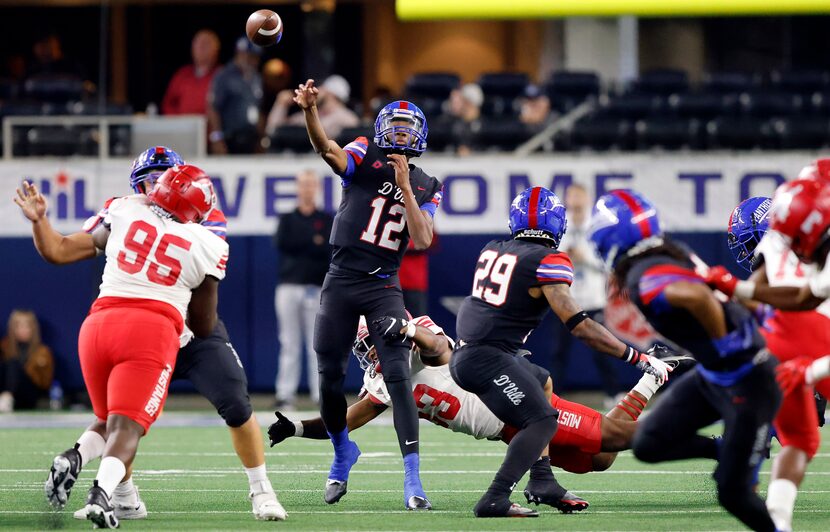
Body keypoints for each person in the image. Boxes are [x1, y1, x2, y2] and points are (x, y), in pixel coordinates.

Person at [31, 146, 285, 522]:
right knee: (122, 418)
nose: (154, 187)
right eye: (148, 180)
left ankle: (262, 491)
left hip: (187, 332)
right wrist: (42, 224)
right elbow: (62, 248)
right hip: (151, 330)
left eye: (161, 178)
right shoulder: (127, 209)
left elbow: (200, 312)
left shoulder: (153, 214)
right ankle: (121, 494)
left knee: (236, 404)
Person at [269, 315, 691, 510]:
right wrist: (297, 428)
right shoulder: (384, 383)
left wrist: (408, 330)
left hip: (511, 400)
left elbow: (437, 349)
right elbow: (344, 420)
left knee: (614, 436)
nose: (369, 358)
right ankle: (655, 373)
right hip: (502, 429)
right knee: (599, 460)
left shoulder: (420, 345)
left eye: (371, 347)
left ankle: (702, 435)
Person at [14, 166, 228, 529]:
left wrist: (39, 221)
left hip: (98, 326)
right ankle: (101, 494)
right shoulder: (209, 243)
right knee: (127, 428)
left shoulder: (125, 208)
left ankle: (76, 456)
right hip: (150, 330)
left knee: (110, 421)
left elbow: (56, 250)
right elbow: (205, 325)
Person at [451, 186, 672, 518]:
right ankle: (494, 497)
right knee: (541, 421)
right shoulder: (549, 260)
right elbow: (580, 325)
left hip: (474, 352)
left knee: (543, 382)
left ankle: (542, 480)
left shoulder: (493, 248)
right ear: (556, 224)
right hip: (488, 357)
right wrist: (638, 357)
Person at [588, 189, 781, 532]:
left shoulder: (642, 275)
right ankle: (726, 451)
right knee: (647, 444)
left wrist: (726, 343)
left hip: (746, 376)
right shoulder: (672, 251)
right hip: (715, 375)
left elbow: (695, 296)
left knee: (734, 494)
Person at [294, 78, 442, 509]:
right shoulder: (365, 151)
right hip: (341, 279)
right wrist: (310, 112)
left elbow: (421, 238)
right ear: (381, 129)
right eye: (394, 126)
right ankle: (342, 453)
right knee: (330, 378)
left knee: (397, 379)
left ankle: (413, 480)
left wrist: (405, 184)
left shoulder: (428, 184)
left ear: (419, 135)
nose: (399, 134)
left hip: (383, 286)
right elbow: (330, 153)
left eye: (406, 127)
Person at [723, 195, 830, 532]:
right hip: (807, 346)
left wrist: (812, 371)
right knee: (795, 434)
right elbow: (796, 296)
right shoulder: (781, 256)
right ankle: (776, 519)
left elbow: (803, 297)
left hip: (815, 348)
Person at [552, 184, 621, 406]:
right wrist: (566, 256)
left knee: (602, 349)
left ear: (588, 198)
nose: (576, 200)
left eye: (580, 195)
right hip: (566, 299)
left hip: (593, 299)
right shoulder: (559, 226)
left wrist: (585, 259)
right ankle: (554, 396)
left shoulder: (597, 227)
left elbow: (609, 264)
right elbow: (549, 258)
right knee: (559, 352)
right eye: (572, 195)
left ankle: (613, 394)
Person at [274, 169, 333, 408]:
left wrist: (309, 243)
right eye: (303, 184)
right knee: (289, 341)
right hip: (289, 286)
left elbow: (327, 248)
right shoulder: (287, 219)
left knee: (315, 343)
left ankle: (320, 395)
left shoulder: (326, 218)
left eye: (311, 184)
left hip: (316, 287)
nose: (307, 189)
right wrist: (312, 241)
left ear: (316, 188)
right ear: (298, 188)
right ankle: (285, 394)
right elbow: (283, 244)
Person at [206, 37, 264, 154]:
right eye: (250, 56)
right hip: (230, 139)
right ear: (240, 54)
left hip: (251, 140)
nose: (254, 61)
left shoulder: (256, 78)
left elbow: (258, 109)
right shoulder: (224, 75)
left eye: (256, 57)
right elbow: (213, 107)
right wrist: (217, 138)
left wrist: (261, 138)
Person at [266, 74, 359, 139]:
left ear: (331, 93)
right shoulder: (310, 114)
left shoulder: (347, 117)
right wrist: (281, 104)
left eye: (322, 87)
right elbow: (273, 131)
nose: (318, 89)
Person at [0, 309, 54, 412]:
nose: (23, 330)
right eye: (19, 326)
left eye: (27, 326)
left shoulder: (43, 351)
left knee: (13, 364)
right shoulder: (4, 347)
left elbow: (45, 384)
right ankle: (5, 398)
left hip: (29, 394)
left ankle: (7, 398)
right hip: (4, 393)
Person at [161, 30, 221, 116]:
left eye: (206, 44)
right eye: (198, 43)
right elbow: (168, 104)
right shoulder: (182, 74)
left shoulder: (223, 75)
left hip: (212, 126)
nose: (201, 47)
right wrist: (178, 121)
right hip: (182, 126)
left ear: (216, 49)